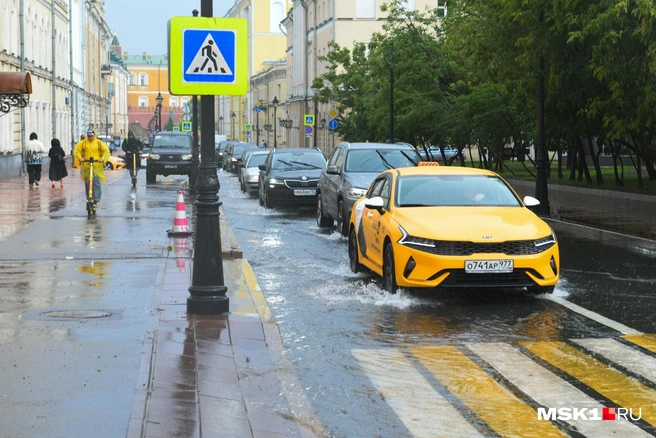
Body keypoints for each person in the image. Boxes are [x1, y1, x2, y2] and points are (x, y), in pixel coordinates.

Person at [74, 129, 110, 207]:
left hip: (96, 165)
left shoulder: (99, 143)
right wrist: (80, 157)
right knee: (88, 182)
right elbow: (77, 150)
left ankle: (96, 200)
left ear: (94, 135)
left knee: (96, 182)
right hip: (87, 165)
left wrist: (102, 158)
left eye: (92, 136)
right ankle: (88, 198)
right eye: (89, 136)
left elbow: (105, 151)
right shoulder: (83, 143)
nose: (90, 138)